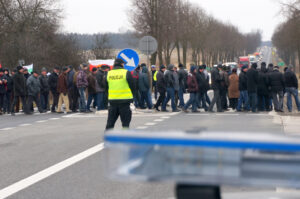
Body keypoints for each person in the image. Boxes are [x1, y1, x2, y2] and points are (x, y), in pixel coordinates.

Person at [105, 59, 135, 130]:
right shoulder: (126, 72)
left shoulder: (108, 73)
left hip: (113, 101)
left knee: (110, 123)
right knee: (125, 123)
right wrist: (132, 97)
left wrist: (109, 97)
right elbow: (133, 86)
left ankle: (108, 138)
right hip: (125, 102)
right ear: (121, 64)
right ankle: (124, 138)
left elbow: (106, 88)